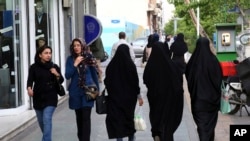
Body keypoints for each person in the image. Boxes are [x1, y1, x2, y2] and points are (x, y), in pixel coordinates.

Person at [143, 35, 184, 141]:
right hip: (169, 101)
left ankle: (157, 133)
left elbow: (145, 80)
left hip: (155, 99)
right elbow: (178, 83)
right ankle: (166, 135)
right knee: (168, 122)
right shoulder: (172, 66)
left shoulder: (150, 65)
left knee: (156, 118)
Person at [185, 37, 223, 141]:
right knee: (210, 125)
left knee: (201, 126)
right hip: (212, 101)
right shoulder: (213, 60)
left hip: (198, 100)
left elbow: (188, 77)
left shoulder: (192, 62)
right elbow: (219, 79)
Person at [104, 44, 143, 141]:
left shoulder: (111, 66)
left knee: (117, 121)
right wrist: (139, 96)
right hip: (129, 100)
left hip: (115, 99)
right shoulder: (131, 66)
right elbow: (135, 82)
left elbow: (106, 82)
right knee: (129, 120)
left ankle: (119, 139)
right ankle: (131, 138)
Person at [27, 46, 64, 141]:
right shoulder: (34, 67)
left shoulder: (54, 67)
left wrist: (56, 74)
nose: (48, 55)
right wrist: (29, 88)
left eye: (50, 53)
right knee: (42, 122)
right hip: (38, 97)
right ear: (40, 55)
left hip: (51, 97)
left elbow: (61, 80)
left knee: (47, 119)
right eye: (46, 53)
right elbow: (30, 80)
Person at [65, 38, 99, 141]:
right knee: (79, 120)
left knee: (86, 119)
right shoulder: (70, 59)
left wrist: (97, 90)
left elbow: (94, 75)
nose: (76, 47)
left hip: (88, 91)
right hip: (76, 93)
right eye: (74, 45)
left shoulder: (89, 58)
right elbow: (67, 75)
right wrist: (75, 64)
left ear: (82, 46)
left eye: (78, 45)